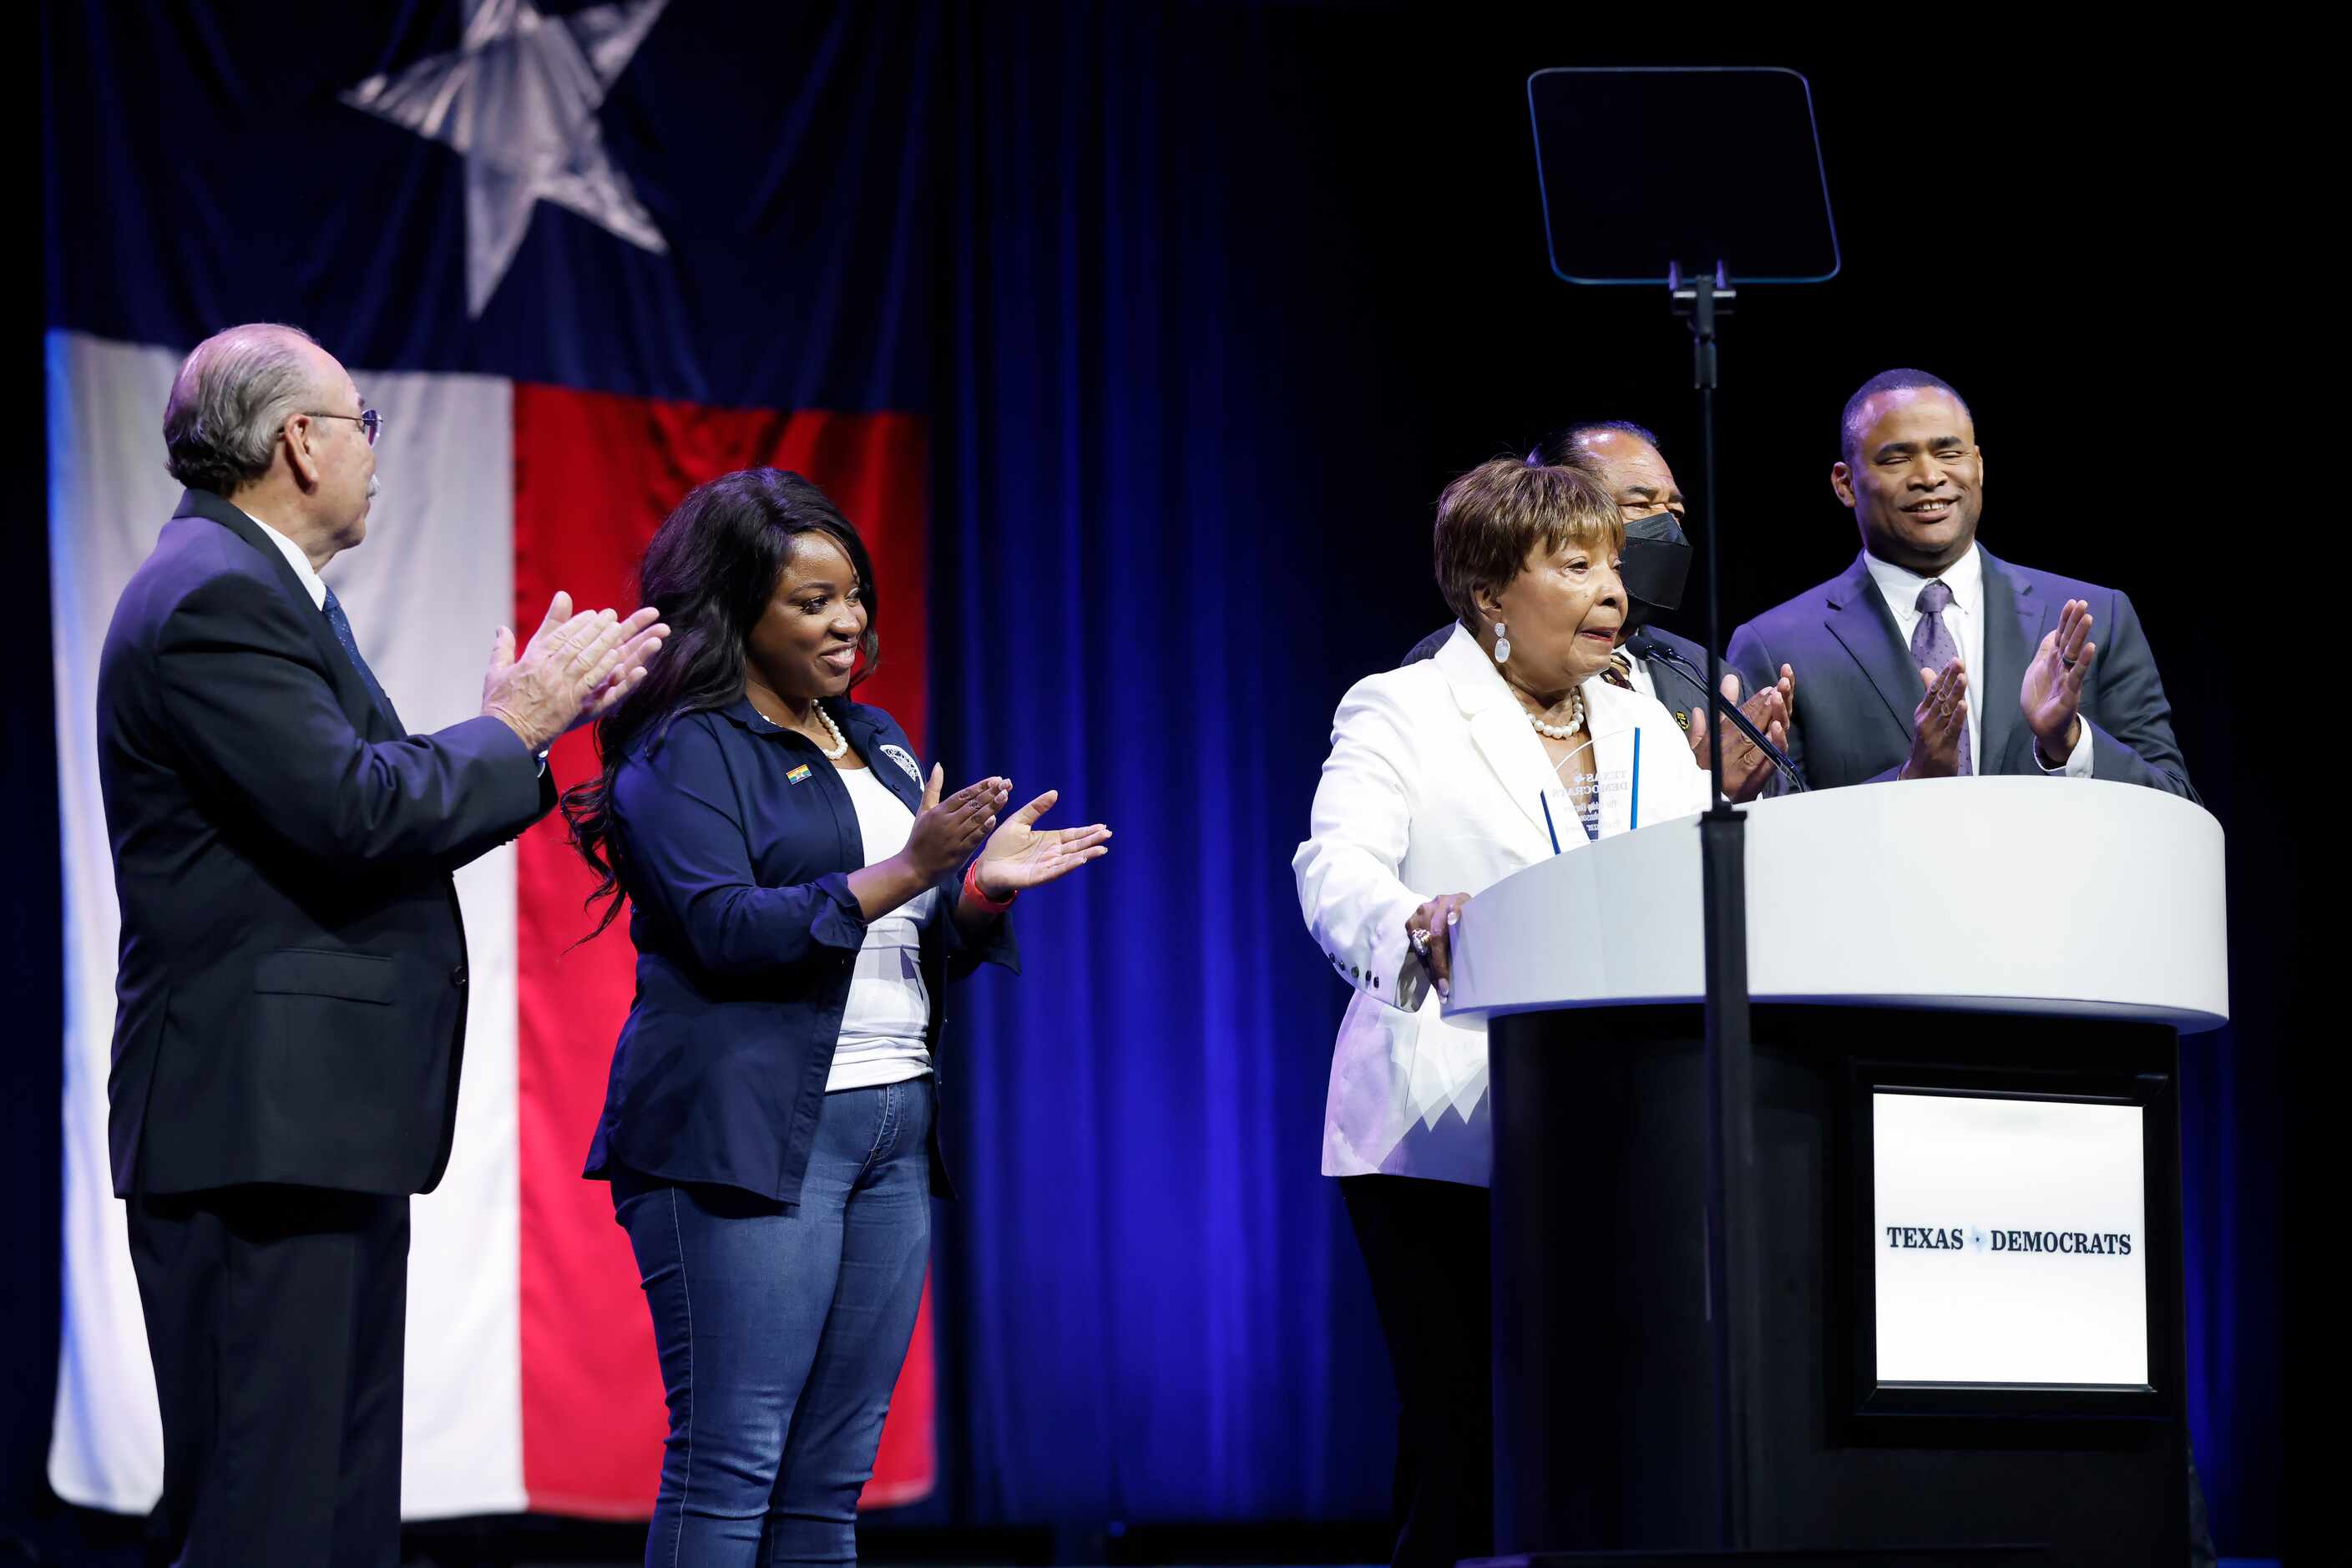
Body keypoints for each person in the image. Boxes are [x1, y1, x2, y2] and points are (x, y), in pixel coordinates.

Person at [96, 322, 665, 1566]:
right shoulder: (213, 598)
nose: (373, 450)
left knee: (331, 1516)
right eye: (364, 422)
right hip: (258, 1132)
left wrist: (506, 734)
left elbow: (351, 795)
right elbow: (356, 811)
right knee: (270, 1518)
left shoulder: (253, 587)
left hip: (307, 1124)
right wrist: (516, 724)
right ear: (299, 441)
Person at [563, 468, 1110, 1566]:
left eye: (853, 593)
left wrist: (972, 892)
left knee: (829, 1477)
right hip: (744, 1134)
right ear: (734, 609)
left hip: (889, 1127)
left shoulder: (878, 736)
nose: (848, 620)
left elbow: (904, 931)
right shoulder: (683, 751)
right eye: (811, 601)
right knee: (732, 1461)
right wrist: (910, 861)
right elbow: (726, 930)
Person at [1295, 457, 1713, 1566]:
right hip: (1443, 1125)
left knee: (1605, 1437)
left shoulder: (1646, 726)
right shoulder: (1404, 707)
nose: (1610, 590)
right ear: (1490, 591)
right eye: (1574, 565)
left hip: (1619, 1124)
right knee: (1466, 1435)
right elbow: (1334, 868)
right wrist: (1411, 922)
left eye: (1614, 565)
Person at [1727, 369, 2194, 796]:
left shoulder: (2095, 616)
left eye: (1949, 453)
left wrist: (2068, 742)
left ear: (1979, 466)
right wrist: (1911, 782)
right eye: (1897, 460)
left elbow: (2174, 801)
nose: (1930, 476)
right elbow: (1773, 836)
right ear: (1845, 484)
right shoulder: (1774, 646)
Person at [1406, 422, 1793, 800]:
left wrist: (1711, 798)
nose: (1669, 531)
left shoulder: (1706, 676)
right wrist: (1690, 793)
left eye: (1674, 511)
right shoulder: (1434, 672)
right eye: (1641, 505)